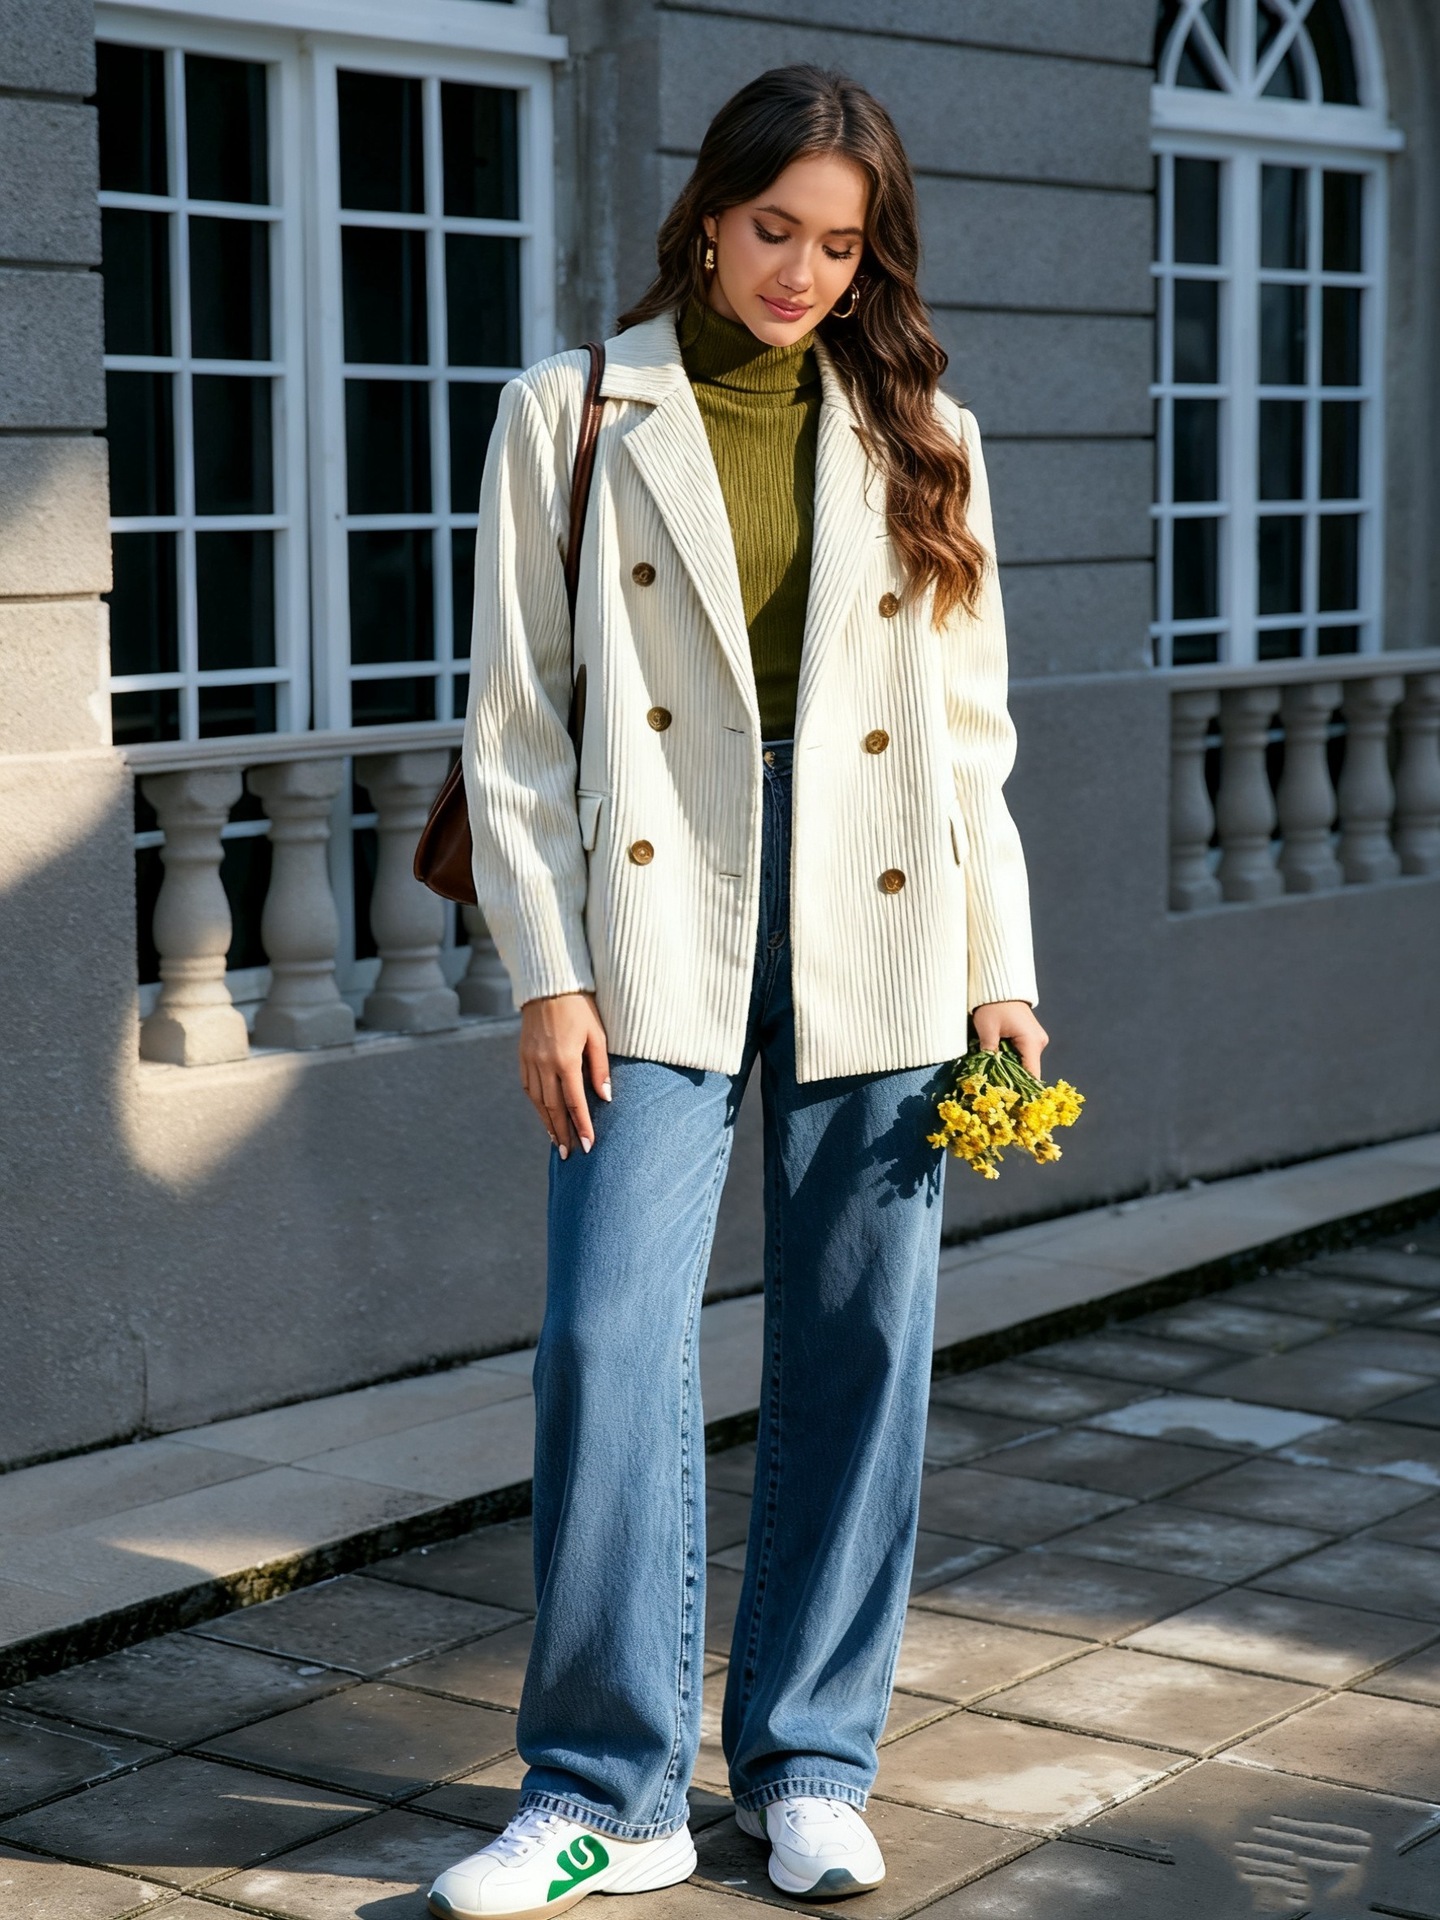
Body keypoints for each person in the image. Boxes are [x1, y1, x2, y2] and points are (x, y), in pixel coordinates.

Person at [429, 63, 1047, 1920]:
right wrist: (548, 975)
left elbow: (971, 742)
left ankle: (813, 1765)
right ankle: (602, 1793)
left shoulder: (926, 430)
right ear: (709, 214)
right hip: (653, 921)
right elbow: (516, 734)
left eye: (840, 246)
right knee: (608, 1342)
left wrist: (1002, 974)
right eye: (776, 228)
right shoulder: (573, 411)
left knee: (862, 1346)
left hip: (884, 916)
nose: (802, 273)